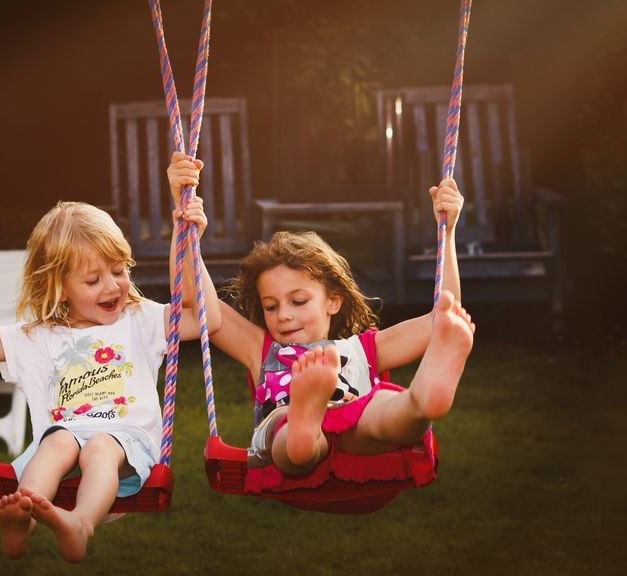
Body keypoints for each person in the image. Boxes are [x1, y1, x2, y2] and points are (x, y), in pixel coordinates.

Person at [0, 190, 217, 563]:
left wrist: (190, 244)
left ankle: (80, 523)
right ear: (60, 289)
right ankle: (21, 520)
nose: (112, 286)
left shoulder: (140, 320)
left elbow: (207, 319)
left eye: (118, 271)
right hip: (63, 450)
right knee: (58, 441)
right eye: (93, 280)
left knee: (99, 446)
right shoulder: (38, 337)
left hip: (126, 446)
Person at [168, 154, 475, 484]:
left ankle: (419, 402)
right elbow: (199, 303)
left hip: (354, 430)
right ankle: (305, 420)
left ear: (333, 301)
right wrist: (185, 229)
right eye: (270, 307)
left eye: (298, 301)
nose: (283, 315)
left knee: (384, 411)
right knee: (288, 436)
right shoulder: (262, 350)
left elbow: (443, 318)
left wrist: (449, 231)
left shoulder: (364, 348)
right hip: (287, 427)